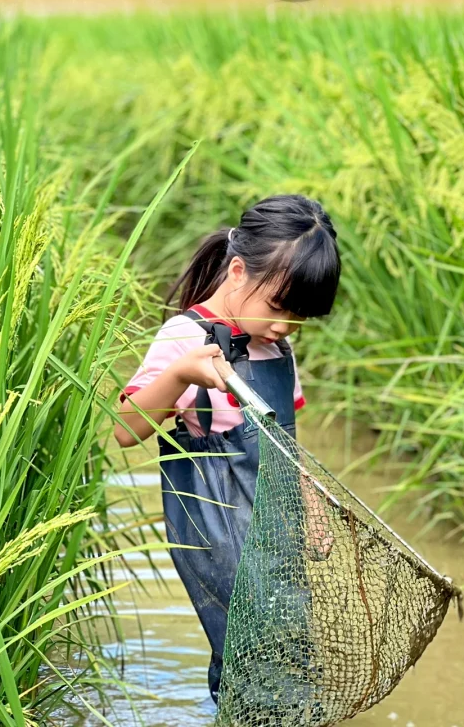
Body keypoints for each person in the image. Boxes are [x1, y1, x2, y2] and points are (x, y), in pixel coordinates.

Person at [115, 194, 341, 706]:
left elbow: (285, 442)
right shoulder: (184, 338)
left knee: (290, 647)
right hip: (217, 528)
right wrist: (178, 377)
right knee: (248, 653)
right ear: (238, 271)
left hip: (277, 531)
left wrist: (311, 505)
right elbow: (126, 430)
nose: (285, 326)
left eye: (300, 317)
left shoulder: (277, 345)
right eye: (279, 309)